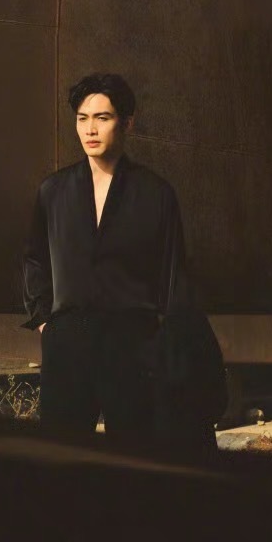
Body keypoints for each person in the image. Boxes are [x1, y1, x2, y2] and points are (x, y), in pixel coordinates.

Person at [21, 72, 193, 444]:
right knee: (61, 453)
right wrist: (45, 322)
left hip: (132, 346)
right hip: (68, 344)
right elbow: (35, 260)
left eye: (102, 117)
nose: (90, 129)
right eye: (82, 118)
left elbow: (173, 276)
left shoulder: (156, 194)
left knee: (134, 456)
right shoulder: (53, 191)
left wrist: (158, 342)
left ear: (127, 123)